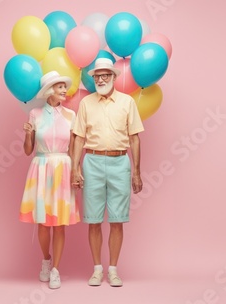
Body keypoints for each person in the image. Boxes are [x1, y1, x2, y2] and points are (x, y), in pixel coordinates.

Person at [71, 58, 144, 287]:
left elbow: (134, 138)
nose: (101, 79)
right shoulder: (86, 103)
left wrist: (137, 172)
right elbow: (79, 137)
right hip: (91, 161)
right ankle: (96, 270)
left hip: (120, 162)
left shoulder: (127, 102)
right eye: (97, 76)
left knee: (117, 220)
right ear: (93, 79)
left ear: (113, 77)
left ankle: (113, 270)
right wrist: (75, 168)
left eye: (105, 75)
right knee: (93, 220)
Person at [20, 71, 80, 289]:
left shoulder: (71, 116)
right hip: (41, 167)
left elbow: (74, 148)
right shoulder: (35, 114)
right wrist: (27, 134)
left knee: (60, 223)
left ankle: (56, 269)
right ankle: (45, 260)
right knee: (43, 223)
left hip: (64, 167)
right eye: (59, 86)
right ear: (48, 91)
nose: (64, 90)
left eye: (65, 86)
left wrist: (76, 171)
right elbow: (28, 150)